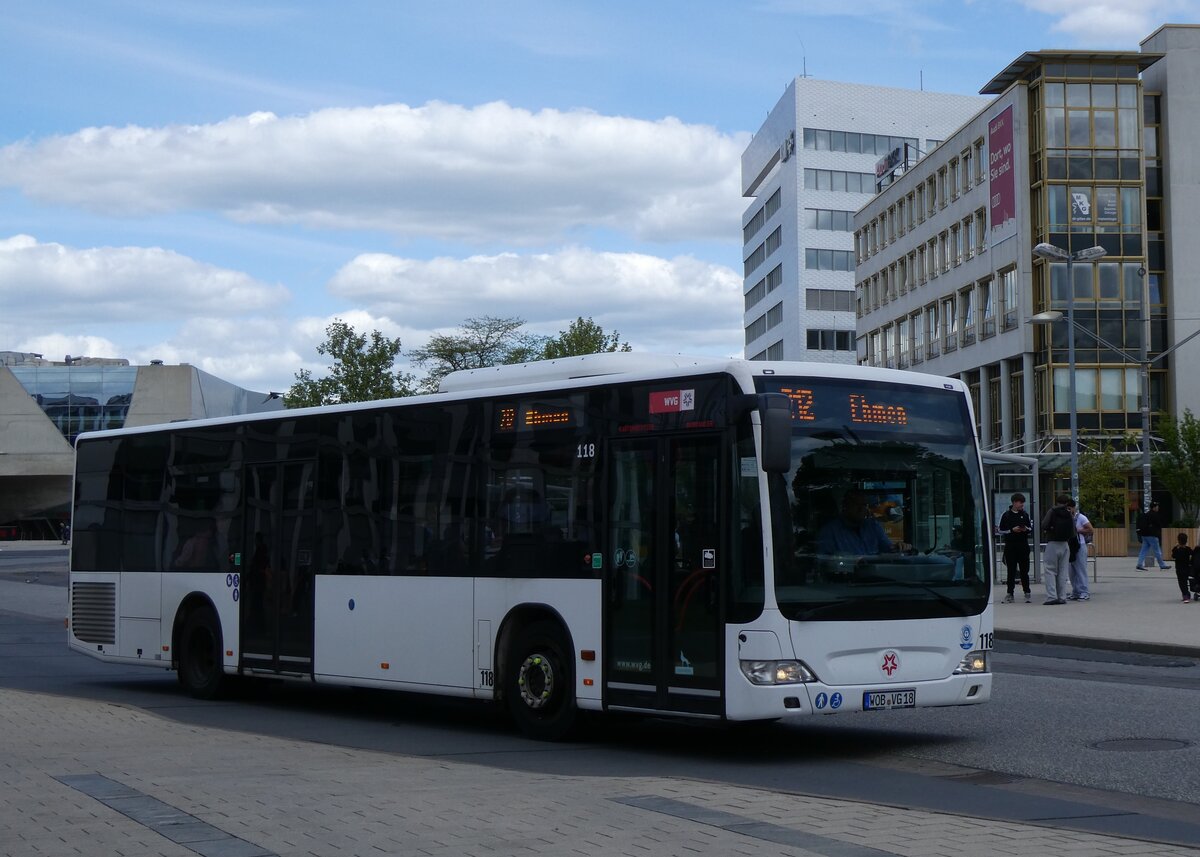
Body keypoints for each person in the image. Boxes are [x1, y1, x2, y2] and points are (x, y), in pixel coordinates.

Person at [817, 489, 910, 556]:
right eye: (856, 504)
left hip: (875, 575)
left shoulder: (873, 526)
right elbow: (824, 561)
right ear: (845, 506)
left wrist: (898, 547)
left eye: (864, 505)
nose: (861, 509)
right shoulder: (830, 531)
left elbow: (888, 549)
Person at [1040, 494, 1075, 605]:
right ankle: (1062, 597)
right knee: (1063, 571)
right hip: (1065, 544)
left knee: (1050, 570)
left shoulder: (1052, 511)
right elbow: (1073, 531)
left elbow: (1044, 524)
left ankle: (1051, 596)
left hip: (1052, 543)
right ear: (1067, 503)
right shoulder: (1069, 513)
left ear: (1057, 501)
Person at [997, 492, 1032, 603]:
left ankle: (1027, 591)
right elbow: (1000, 530)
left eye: (1023, 503)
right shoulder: (1006, 515)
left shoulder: (1025, 514)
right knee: (1011, 570)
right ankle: (1010, 592)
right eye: (1020, 503)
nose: (1022, 505)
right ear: (1014, 502)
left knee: (1024, 570)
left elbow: (1030, 528)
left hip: (1023, 545)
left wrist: (1025, 529)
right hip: (1010, 546)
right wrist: (1011, 530)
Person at [1064, 500, 1093, 601]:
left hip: (1080, 545)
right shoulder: (1067, 518)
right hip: (1070, 546)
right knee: (1071, 571)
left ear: (1073, 508)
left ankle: (1084, 592)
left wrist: (1079, 530)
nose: (1068, 510)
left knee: (1080, 569)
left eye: (1069, 508)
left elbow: (1090, 529)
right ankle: (1076, 591)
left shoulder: (1081, 517)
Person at [1135, 501, 1170, 571]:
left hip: (1144, 535)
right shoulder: (1155, 515)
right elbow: (1158, 524)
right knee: (1157, 551)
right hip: (1152, 535)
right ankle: (1162, 565)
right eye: (1157, 506)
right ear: (1154, 507)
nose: (1158, 507)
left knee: (1143, 550)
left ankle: (1139, 564)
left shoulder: (1146, 514)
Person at [1171, 533, 1193, 603]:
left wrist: (1175, 547)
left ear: (1178, 541)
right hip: (1187, 568)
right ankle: (1186, 593)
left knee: (1181, 583)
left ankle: (1185, 595)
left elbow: (1173, 556)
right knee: (1185, 581)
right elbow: (1192, 554)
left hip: (1179, 569)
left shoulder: (1176, 550)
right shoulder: (1188, 549)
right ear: (1186, 541)